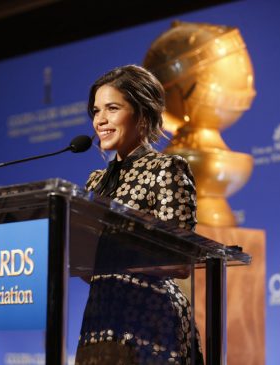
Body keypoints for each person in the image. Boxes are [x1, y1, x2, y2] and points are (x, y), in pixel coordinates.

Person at [75, 65, 203, 365]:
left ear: (142, 114)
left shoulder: (167, 169)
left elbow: (180, 261)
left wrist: (113, 257)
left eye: (112, 108)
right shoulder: (95, 182)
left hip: (151, 315)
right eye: (96, 111)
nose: (100, 120)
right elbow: (87, 265)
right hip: (101, 312)